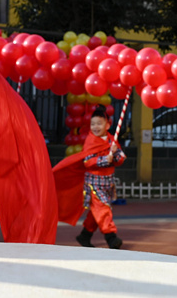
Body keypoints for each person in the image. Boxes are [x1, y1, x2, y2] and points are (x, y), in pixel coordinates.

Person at [53, 106, 126, 249]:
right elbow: (88, 162)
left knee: (96, 212)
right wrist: (106, 159)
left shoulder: (112, 140)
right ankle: (111, 236)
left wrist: (116, 155)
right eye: (93, 124)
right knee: (103, 208)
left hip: (108, 182)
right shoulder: (91, 141)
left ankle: (85, 235)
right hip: (95, 183)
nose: (95, 127)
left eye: (99, 123)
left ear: (107, 125)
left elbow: (121, 158)